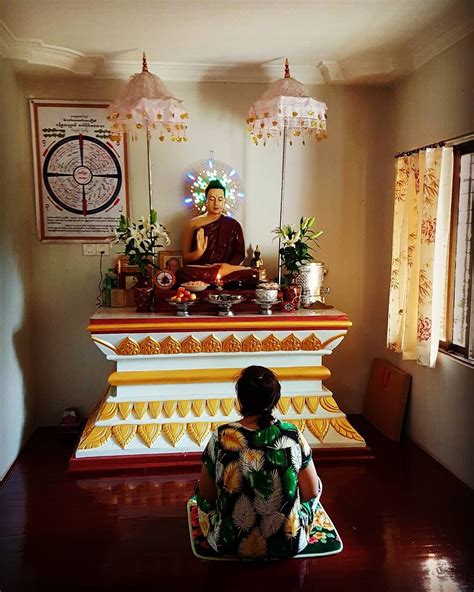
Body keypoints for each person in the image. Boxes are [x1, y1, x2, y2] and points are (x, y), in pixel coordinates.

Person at [193, 365, 321, 559]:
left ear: (240, 400)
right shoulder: (292, 435)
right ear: (275, 400)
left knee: (198, 495)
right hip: (288, 544)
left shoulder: (222, 436)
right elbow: (311, 491)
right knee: (318, 485)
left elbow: (207, 494)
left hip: (228, 543)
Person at [176, 180, 258, 286]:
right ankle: (219, 279)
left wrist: (227, 266)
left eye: (220, 199)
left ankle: (217, 277)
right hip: (202, 269)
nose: (216, 203)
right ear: (206, 201)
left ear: (224, 201)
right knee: (181, 273)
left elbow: (239, 254)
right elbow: (186, 257)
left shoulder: (233, 224)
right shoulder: (193, 224)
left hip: (226, 270)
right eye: (212, 199)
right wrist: (198, 253)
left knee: (254, 275)